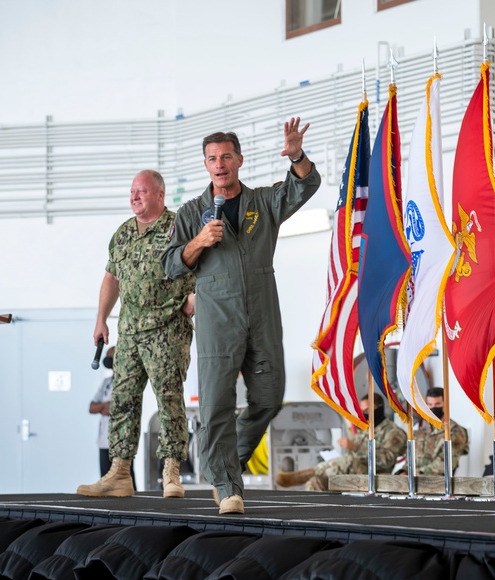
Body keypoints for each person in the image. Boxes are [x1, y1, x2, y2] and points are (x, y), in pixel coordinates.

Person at [161, 118, 321, 515]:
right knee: (216, 403)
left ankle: (223, 460)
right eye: (212, 158)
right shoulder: (192, 212)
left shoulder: (263, 203)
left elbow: (304, 186)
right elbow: (169, 265)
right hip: (218, 315)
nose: (220, 164)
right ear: (206, 165)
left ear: (239, 160)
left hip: (263, 311)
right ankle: (227, 485)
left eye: (226, 156)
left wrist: (296, 155)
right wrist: (199, 241)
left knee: (269, 398)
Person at [78, 170, 196, 499]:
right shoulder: (123, 234)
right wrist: (101, 319)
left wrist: (195, 295)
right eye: (132, 192)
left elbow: (208, 262)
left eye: (141, 191)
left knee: (169, 400)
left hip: (167, 328)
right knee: (123, 400)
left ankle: (172, 472)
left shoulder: (180, 226)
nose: (134, 197)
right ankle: (119, 473)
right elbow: (112, 278)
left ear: (160, 194)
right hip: (128, 330)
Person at [274, 393, 406, 491]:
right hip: (353, 472)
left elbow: (386, 460)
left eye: (367, 410)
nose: (364, 414)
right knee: (316, 482)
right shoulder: (365, 430)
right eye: (362, 411)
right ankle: (311, 505)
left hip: (374, 474)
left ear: (379, 407)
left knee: (350, 461)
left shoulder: (394, 432)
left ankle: (309, 472)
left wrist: (354, 447)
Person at [395, 387, 470, 476]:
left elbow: (447, 462)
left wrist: (419, 473)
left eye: (437, 404)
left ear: (445, 404)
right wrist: (404, 472)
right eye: (430, 404)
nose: (433, 407)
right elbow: (410, 460)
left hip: (437, 485)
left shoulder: (455, 431)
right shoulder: (420, 432)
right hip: (414, 484)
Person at [90, 345, 115, 476]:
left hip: (120, 441)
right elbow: (91, 407)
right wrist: (105, 405)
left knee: (124, 477)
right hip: (104, 439)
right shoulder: (106, 382)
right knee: (104, 477)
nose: (107, 360)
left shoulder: (128, 382)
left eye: (110, 356)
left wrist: (109, 407)